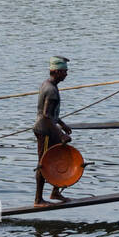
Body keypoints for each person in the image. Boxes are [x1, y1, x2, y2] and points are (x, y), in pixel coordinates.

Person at [33, 56, 73, 206]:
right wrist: (60, 134)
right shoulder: (51, 90)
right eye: (64, 71)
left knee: (61, 158)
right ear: (56, 72)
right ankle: (38, 199)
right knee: (43, 163)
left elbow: (51, 114)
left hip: (51, 129)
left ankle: (55, 192)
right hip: (45, 131)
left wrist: (62, 124)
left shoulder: (47, 84)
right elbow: (46, 117)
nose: (66, 74)